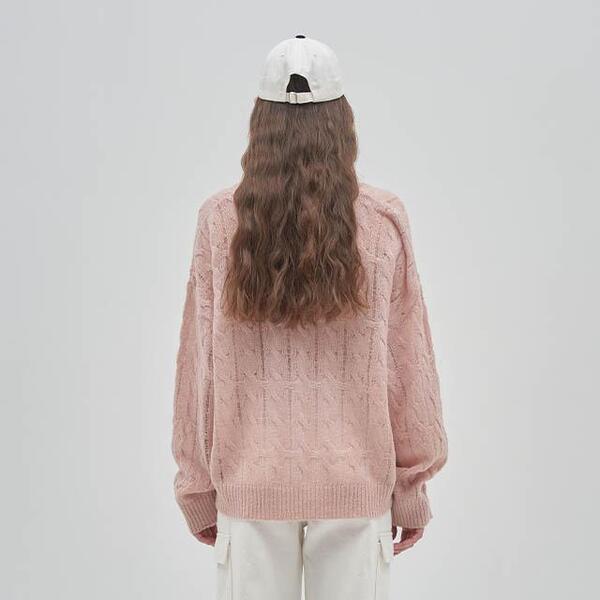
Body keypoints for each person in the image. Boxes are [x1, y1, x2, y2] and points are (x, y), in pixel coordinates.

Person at [171, 35, 448, 600]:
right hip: (356, 487)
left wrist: (197, 485)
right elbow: (408, 364)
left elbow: (199, 369)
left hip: (250, 486)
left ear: (260, 122)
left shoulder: (219, 221)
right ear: (342, 121)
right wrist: (411, 489)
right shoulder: (382, 221)